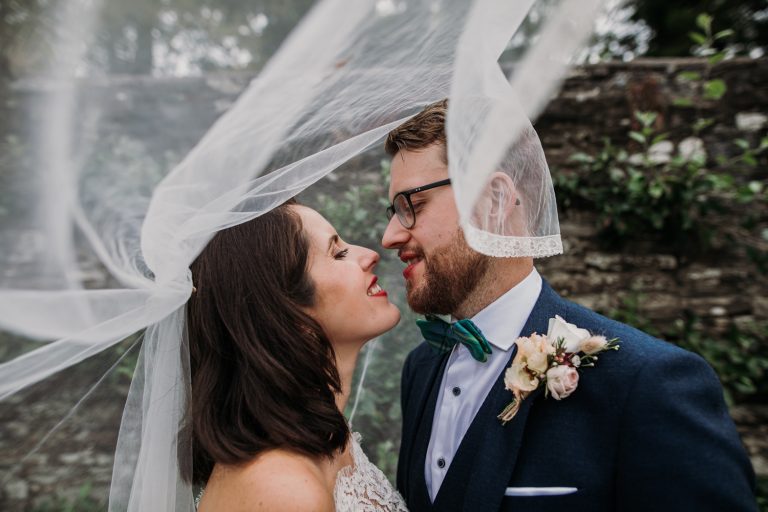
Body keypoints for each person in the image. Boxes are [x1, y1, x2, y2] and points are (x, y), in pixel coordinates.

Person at [382, 99, 758, 512]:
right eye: (393, 212)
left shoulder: (648, 384)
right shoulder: (420, 369)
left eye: (411, 207)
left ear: (494, 200)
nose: (389, 236)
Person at [185, 200, 407, 511]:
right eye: (338, 253)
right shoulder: (284, 491)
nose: (370, 255)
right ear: (285, 314)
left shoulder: (327, 439)